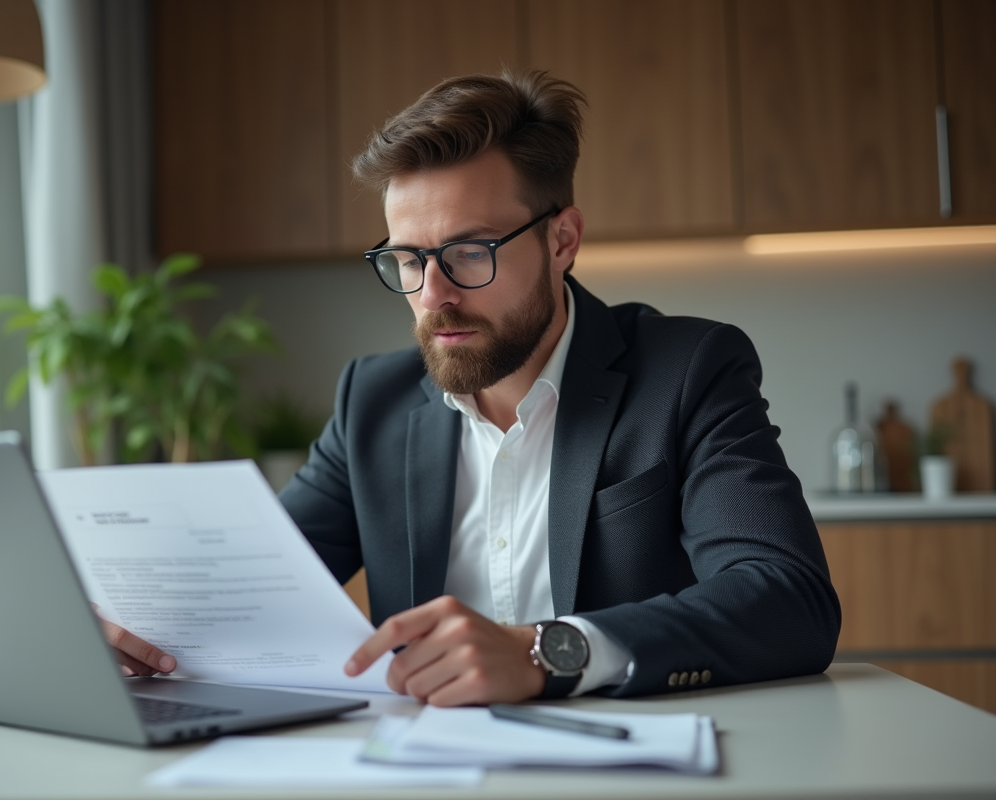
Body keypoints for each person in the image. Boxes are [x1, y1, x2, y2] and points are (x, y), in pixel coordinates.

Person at [105, 70, 841, 706]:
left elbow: (789, 599)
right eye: (408, 260)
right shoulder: (373, 402)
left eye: (468, 252)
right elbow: (254, 587)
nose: (433, 295)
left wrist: (545, 653)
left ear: (562, 240)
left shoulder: (686, 370)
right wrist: (133, 634)